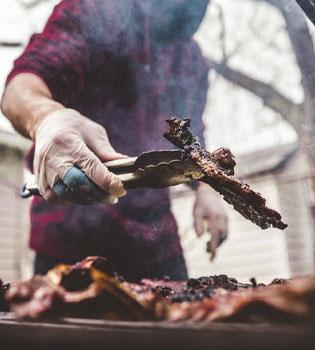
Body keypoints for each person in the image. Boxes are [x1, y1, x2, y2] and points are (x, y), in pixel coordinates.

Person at [1, 0, 228, 282]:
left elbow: (191, 134)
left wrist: (207, 188)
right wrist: (47, 119)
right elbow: (21, 86)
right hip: (70, 238)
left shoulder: (192, 60)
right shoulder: (93, 10)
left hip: (157, 244)